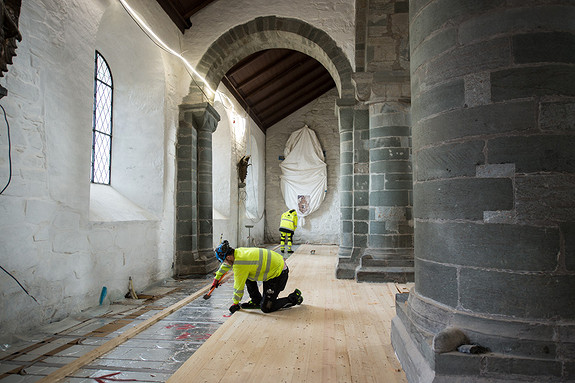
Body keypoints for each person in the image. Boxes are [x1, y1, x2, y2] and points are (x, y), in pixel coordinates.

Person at [211, 240, 303, 314]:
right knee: (248, 276)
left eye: (224, 261)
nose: (225, 263)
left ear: (228, 257)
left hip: (278, 274)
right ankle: (256, 301)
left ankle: (295, 297)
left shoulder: (240, 264)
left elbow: (238, 286)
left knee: (266, 307)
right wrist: (216, 279)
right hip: (272, 268)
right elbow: (226, 265)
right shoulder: (237, 252)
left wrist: (235, 303)